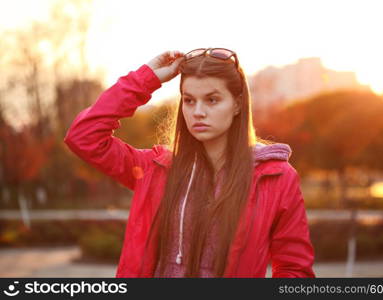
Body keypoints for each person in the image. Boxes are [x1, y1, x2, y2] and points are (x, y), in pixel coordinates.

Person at [64, 48, 316, 278]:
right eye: (189, 100)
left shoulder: (276, 176)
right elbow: (84, 137)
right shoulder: (156, 169)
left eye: (212, 100)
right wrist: (147, 78)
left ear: (237, 104)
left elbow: (295, 271)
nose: (198, 112)